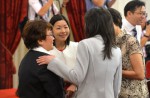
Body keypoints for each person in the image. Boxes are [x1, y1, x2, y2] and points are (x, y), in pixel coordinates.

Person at [37, 7, 122, 98]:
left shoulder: (85, 44)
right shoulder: (116, 50)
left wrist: (53, 62)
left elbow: (77, 77)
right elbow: (117, 86)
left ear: (91, 24)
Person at [17, 20, 65, 98]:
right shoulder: (47, 62)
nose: (53, 38)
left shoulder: (26, 59)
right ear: (40, 40)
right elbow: (57, 94)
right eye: (50, 35)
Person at [108, 8, 149, 98]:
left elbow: (140, 74)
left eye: (107, 24)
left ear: (117, 21)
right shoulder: (108, 42)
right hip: (117, 93)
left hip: (134, 94)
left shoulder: (129, 40)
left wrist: (115, 70)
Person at [49, 14, 78, 98]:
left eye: (65, 27)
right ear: (51, 31)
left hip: (78, 91)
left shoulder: (77, 46)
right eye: (58, 28)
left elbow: (86, 70)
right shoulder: (48, 51)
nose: (63, 31)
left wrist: (75, 85)